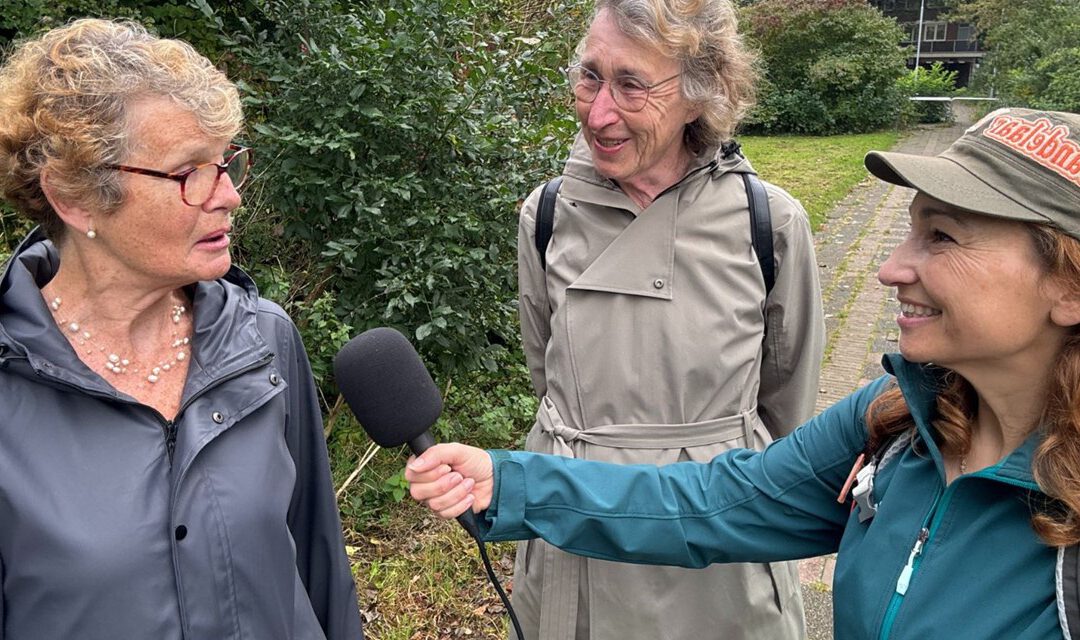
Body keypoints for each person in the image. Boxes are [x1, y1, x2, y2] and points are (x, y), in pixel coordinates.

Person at [408, 107, 1080, 639]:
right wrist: (511, 481)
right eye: (908, 231)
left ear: (1068, 285)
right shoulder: (898, 420)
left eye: (942, 236)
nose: (891, 267)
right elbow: (714, 504)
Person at [0, 19, 363, 640]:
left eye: (226, 164)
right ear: (75, 197)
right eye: (189, 173)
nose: (228, 195)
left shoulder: (262, 342)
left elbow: (319, 571)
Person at [509, 0, 824, 637]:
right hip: (577, 530)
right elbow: (549, 377)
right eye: (590, 76)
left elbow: (786, 410)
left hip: (715, 547)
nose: (598, 113)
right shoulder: (545, 217)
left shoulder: (769, 224)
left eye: (631, 85)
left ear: (700, 94)